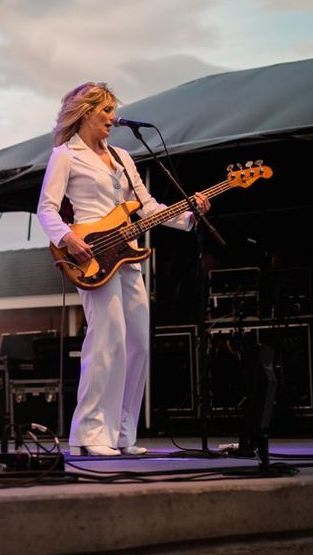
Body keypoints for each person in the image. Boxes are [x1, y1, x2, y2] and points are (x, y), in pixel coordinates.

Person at [36, 82, 208, 457]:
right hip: (91, 253)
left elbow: (146, 207)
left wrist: (188, 215)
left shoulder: (123, 157)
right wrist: (68, 239)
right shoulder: (66, 155)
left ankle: (122, 433)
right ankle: (89, 433)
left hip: (126, 255)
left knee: (138, 343)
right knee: (107, 339)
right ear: (86, 113)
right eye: (107, 111)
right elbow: (46, 208)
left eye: (114, 110)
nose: (113, 118)